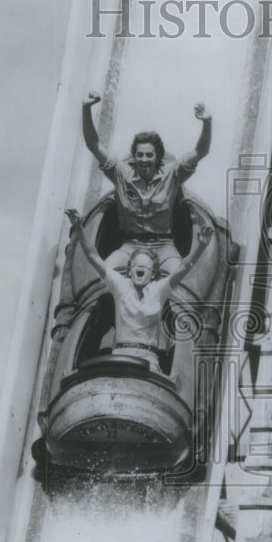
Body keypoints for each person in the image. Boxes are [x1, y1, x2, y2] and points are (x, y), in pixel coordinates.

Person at [66, 208, 213, 373]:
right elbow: (93, 256)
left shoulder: (159, 289)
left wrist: (200, 246)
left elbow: (183, 267)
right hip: (120, 354)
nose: (141, 268)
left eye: (146, 266)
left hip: (148, 359)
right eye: (137, 265)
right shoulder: (120, 285)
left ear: (152, 274)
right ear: (130, 271)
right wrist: (78, 227)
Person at [82, 91, 212, 275]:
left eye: (149, 155)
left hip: (163, 246)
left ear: (157, 156)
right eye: (140, 155)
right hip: (130, 245)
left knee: (179, 279)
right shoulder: (121, 173)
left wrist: (207, 122)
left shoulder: (172, 173)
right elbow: (93, 145)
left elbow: (201, 151)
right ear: (134, 156)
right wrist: (86, 108)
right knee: (104, 275)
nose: (144, 159)